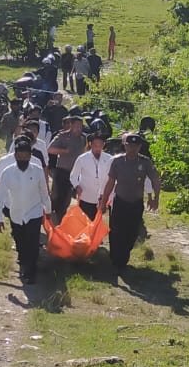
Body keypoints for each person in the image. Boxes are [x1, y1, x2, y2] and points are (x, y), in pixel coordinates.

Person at [99, 133, 161, 271]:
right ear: (124, 146)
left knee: (132, 232)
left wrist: (156, 198)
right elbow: (110, 182)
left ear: (139, 147)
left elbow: (155, 179)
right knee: (116, 232)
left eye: (135, 146)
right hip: (120, 201)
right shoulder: (117, 161)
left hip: (136, 202)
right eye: (129, 145)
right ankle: (116, 259)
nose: (132, 148)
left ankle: (123, 255)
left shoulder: (145, 162)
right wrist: (103, 202)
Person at [0, 139, 51, 285]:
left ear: (30, 156)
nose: (23, 160)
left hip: (34, 212)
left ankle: (31, 272)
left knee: (32, 243)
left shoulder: (37, 171)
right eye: (20, 157)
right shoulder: (8, 173)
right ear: (15, 156)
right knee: (21, 244)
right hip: (16, 214)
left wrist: (48, 211)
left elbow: (44, 193)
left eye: (26, 157)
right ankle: (25, 264)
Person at [47, 115, 86, 224]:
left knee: (66, 199)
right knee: (56, 196)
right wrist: (65, 151)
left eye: (81, 126)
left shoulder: (83, 138)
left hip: (74, 174)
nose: (79, 128)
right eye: (76, 126)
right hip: (62, 171)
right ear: (71, 125)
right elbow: (50, 149)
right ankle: (49, 217)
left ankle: (60, 219)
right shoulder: (63, 136)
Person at [71, 133, 114, 221]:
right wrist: (77, 186)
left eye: (100, 145)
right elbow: (73, 176)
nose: (98, 148)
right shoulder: (82, 158)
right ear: (90, 144)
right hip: (86, 196)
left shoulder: (110, 159)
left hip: (103, 198)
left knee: (97, 223)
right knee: (84, 222)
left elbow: (112, 178)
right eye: (95, 145)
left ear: (103, 145)